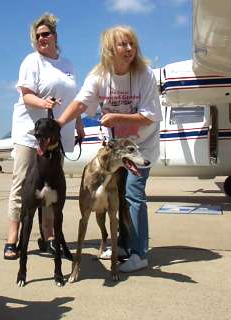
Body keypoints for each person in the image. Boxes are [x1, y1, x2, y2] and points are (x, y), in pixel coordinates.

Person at [57, 25, 162, 272]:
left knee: (134, 194)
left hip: (141, 145)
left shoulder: (145, 75)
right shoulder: (98, 76)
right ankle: (123, 245)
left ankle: (139, 254)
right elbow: (81, 103)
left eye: (132, 44)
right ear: (109, 49)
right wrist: (59, 123)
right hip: (115, 150)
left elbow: (150, 116)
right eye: (122, 44)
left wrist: (117, 117)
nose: (129, 49)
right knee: (119, 197)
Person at [4, 12, 84, 259]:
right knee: (22, 184)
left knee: (52, 186)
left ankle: (48, 236)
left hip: (57, 135)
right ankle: (13, 237)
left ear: (55, 36)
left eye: (45, 34)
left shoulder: (68, 65)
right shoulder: (31, 61)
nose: (41, 38)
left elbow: (75, 100)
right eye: (37, 36)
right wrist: (43, 102)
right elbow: (26, 95)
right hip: (31, 133)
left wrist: (79, 125)